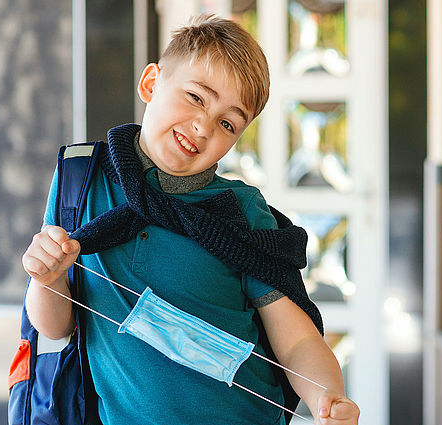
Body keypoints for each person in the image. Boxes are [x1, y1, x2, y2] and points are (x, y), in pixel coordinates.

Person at [21, 14, 360, 425]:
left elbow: (296, 339)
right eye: (196, 97)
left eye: (227, 122)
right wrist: (48, 279)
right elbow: (57, 328)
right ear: (150, 84)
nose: (203, 126)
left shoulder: (241, 211)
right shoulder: (82, 179)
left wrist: (330, 398)